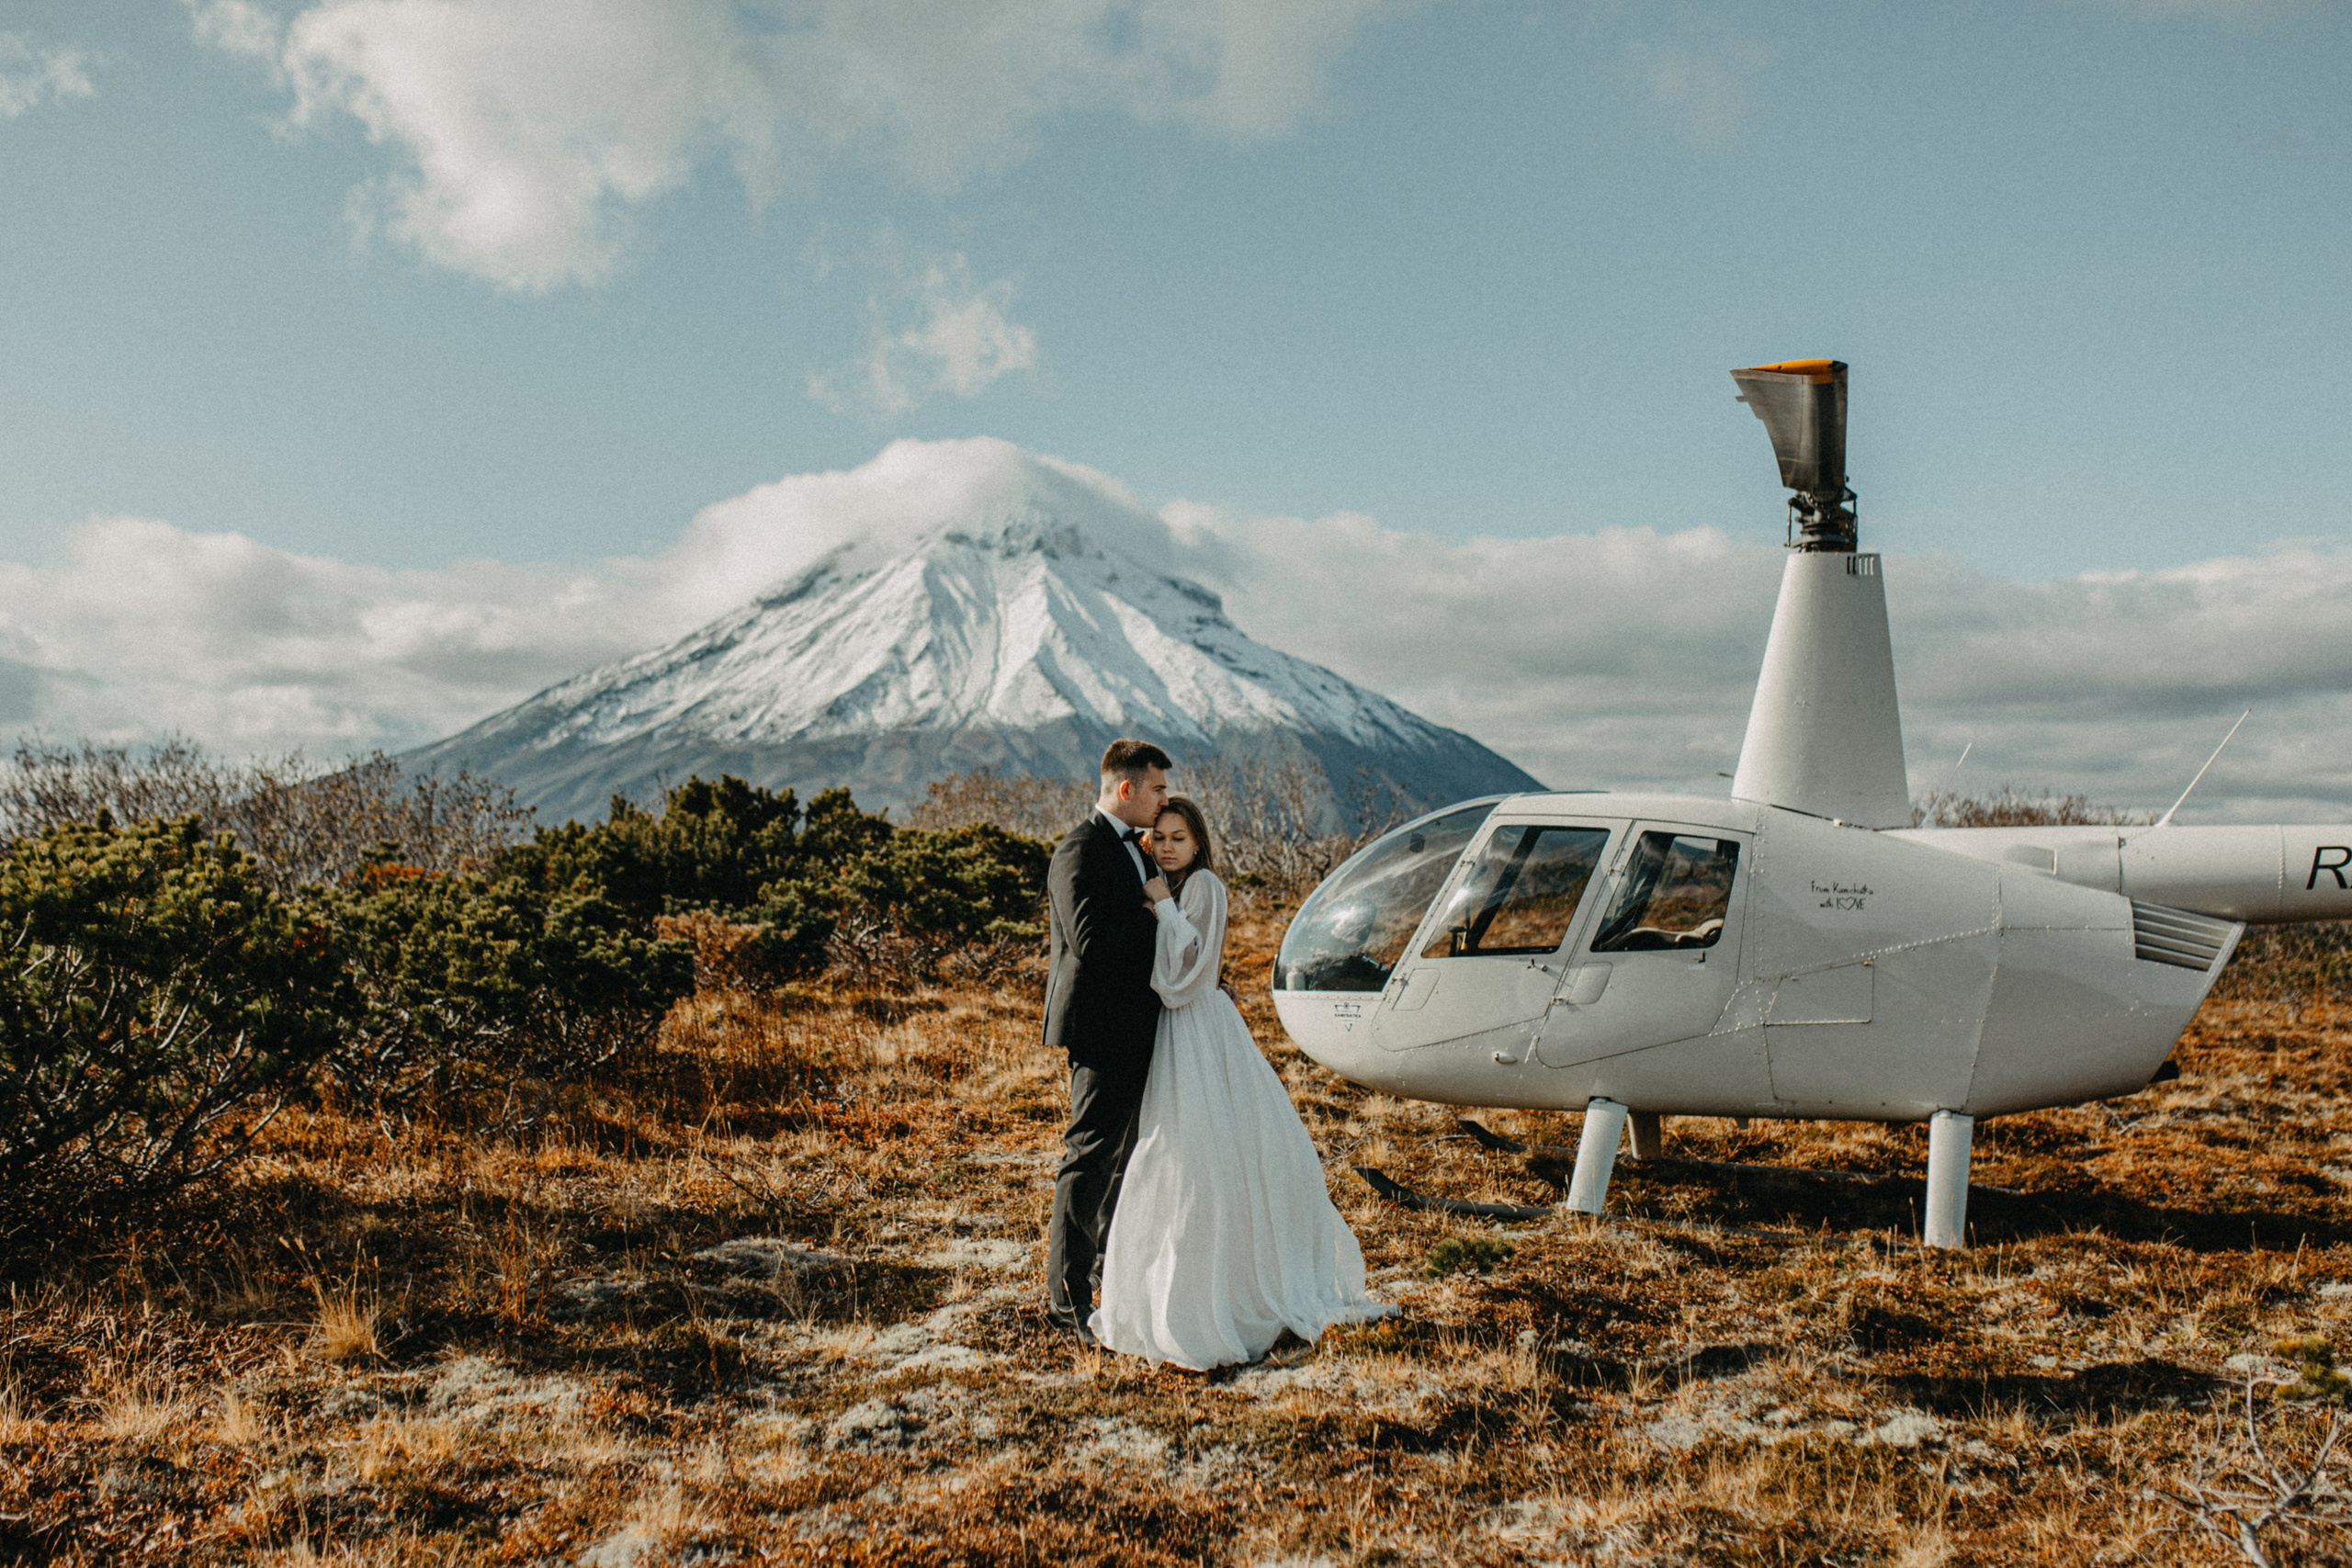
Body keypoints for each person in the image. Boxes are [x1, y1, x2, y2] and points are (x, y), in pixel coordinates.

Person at [1090, 795, 1396, 1370]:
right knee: (1179, 1150)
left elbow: (1188, 975)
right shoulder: (1173, 887)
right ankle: (1184, 1289)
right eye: (1160, 837)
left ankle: (1224, 1296)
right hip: (1181, 1027)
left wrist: (1162, 909)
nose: (1168, 846)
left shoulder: (1201, 885)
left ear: (1198, 842)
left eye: (1179, 836)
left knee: (1198, 1151)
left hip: (1196, 1027)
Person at [1042, 738, 1173, 1343]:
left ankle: (1109, 1280)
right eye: (1157, 788)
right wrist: (1152, 918)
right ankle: (1066, 1305)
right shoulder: (1080, 849)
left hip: (1143, 1023)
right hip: (1100, 1026)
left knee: (1128, 1161)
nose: (1165, 799)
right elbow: (1090, 939)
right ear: (1127, 789)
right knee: (1090, 1157)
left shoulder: (1142, 851)